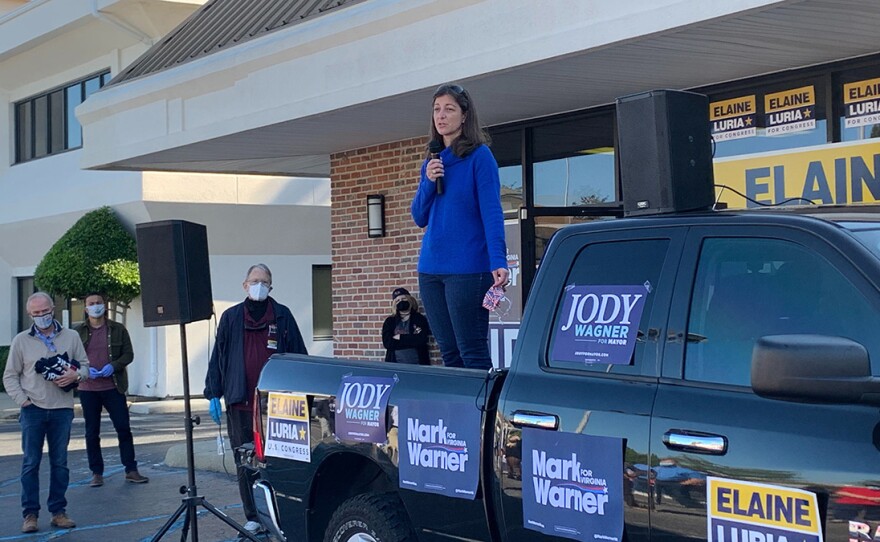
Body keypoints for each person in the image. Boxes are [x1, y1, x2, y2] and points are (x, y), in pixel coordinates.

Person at [204, 263, 308, 534]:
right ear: (245, 285)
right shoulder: (231, 318)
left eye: (264, 282)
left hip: (276, 405)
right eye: (254, 281)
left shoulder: (282, 316)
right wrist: (213, 393)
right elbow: (219, 357)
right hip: (240, 402)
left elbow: (299, 356)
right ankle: (252, 515)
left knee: (276, 462)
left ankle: (279, 515)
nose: (259, 286)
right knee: (245, 461)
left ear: (270, 287)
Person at [411, 83, 509, 370]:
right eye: (436, 109)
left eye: (449, 109)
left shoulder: (480, 157)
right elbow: (419, 216)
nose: (441, 116)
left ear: (464, 115)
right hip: (431, 270)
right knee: (449, 353)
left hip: (467, 270)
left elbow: (492, 212)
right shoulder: (432, 162)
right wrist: (429, 182)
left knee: (472, 352)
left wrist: (498, 259)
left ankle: (482, 403)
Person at [3, 292, 89, 533]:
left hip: (62, 409)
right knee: (31, 463)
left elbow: (86, 366)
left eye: (45, 311)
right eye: (36, 313)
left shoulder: (71, 336)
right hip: (33, 410)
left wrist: (76, 375)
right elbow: (10, 375)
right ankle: (30, 514)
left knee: (60, 463)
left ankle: (58, 512)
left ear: (53, 308)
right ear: (29, 314)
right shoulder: (21, 341)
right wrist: (23, 401)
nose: (41, 316)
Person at [74, 292, 149, 488]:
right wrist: (83, 370)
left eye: (99, 302)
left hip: (113, 386)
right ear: (86, 308)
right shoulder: (77, 332)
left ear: (105, 305)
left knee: (123, 428)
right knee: (92, 432)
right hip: (88, 388)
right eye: (91, 303)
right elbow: (70, 357)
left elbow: (128, 354)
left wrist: (114, 366)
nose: (95, 306)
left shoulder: (118, 329)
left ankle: (131, 469)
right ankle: (96, 473)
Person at [382, 287, 431, 365]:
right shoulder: (390, 321)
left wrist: (399, 337)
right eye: (397, 300)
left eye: (403, 298)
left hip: (418, 365)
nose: (401, 301)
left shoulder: (419, 319)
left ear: (409, 300)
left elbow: (421, 339)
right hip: (394, 365)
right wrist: (411, 338)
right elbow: (388, 343)